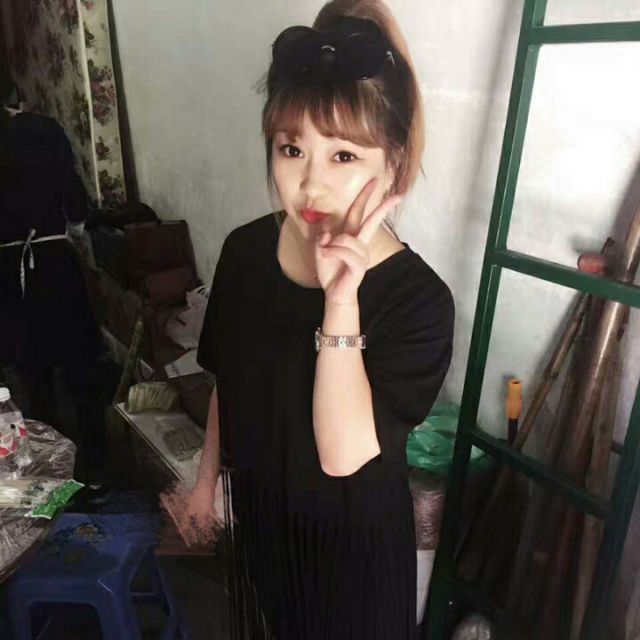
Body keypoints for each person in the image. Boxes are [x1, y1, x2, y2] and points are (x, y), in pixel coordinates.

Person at [188, 1, 454, 637]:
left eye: (343, 156)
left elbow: (341, 456)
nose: (310, 186)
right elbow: (228, 377)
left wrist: (340, 300)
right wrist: (204, 482)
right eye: (292, 149)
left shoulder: (418, 301)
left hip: (352, 557)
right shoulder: (245, 251)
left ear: (392, 164)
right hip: (265, 529)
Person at [0, 69, 105, 473]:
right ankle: (96, 467)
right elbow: (75, 202)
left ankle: (51, 469)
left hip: (8, 275)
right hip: (54, 263)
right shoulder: (44, 130)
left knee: (31, 373)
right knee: (80, 369)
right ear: (13, 90)